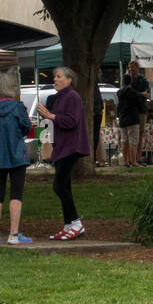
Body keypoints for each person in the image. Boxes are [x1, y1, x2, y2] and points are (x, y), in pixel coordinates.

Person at [36, 67, 90, 238]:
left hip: (71, 147)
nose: (55, 80)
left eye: (59, 77)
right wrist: (47, 116)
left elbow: (72, 121)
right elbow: (55, 120)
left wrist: (51, 116)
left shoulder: (73, 97)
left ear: (69, 80)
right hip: (60, 147)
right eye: (55, 77)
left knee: (58, 186)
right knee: (65, 186)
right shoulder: (59, 98)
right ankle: (68, 226)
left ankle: (76, 223)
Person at [0, 73, 33, 244]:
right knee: (16, 194)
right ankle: (13, 234)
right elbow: (26, 127)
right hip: (16, 154)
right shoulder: (17, 107)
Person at [117, 73, 143, 167]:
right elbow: (139, 105)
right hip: (132, 119)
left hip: (123, 119)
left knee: (124, 141)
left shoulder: (119, 93)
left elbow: (119, 106)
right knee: (133, 141)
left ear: (123, 81)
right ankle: (134, 161)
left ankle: (126, 161)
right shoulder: (133, 93)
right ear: (131, 81)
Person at [128, 60, 151, 162]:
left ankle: (138, 158)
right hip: (131, 110)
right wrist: (141, 94)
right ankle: (131, 158)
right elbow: (129, 93)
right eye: (129, 67)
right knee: (131, 135)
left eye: (133, 67)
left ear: (137, 68)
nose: (131, 69)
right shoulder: (127, 80)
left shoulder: (143, 80)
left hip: (141, 110)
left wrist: (139, 94)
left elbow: (147, 94)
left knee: (140, 135)